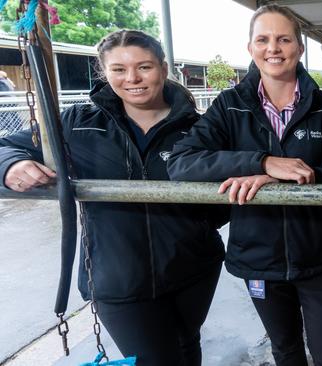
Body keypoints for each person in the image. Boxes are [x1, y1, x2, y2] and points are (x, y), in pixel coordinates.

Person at [0, 30, 228, 366]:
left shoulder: (200, 128)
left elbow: (227, 189)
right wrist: (11, 164)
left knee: (186, 345)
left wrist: (195, 224)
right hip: (117, 277)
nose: (133, 78)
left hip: (193, 268)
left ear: (163, 69)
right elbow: (7, 145)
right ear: (104, 73)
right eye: (119, 69)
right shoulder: (78, 122)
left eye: (144, 67)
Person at [167, 5, 322, 366]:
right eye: (264, 39)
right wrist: (260, 162)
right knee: (285, 349)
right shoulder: (229, 106)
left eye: (284, 39)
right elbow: (181, 161)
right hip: (259, 256)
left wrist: (296, 174)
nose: (274, 47)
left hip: (321, 255)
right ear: (251, 48)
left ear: (299, 48)